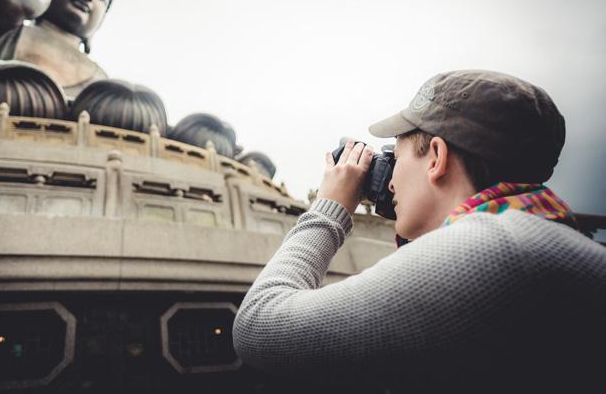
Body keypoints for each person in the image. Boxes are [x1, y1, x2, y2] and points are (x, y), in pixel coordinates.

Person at [232, 70, 606, 393]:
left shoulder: (491, 251)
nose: (390, 179)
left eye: (397, 156)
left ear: (437, 158)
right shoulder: (543, 236)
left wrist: (329, 207)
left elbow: (258, 326)